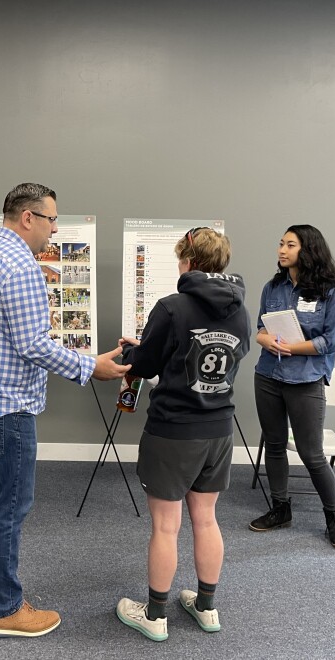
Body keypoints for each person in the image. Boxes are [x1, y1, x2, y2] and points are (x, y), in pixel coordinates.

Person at [0, 183, 130, 638]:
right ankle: (6, 609)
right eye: (51, 220)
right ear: (28, 217)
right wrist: (93, 367)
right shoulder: (20, 265)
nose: (54, 230)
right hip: (4, 408)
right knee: (7, 506)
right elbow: (32, 345)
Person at [114, 228, 250, 642]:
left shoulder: (172, 307)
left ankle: (154, 615)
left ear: (187, 261)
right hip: (218, 429)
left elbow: (149, 362)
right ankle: (206, 607)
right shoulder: (241, 310)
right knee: (206, 519)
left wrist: (133, 353)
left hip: (174, 431)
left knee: (166, 526)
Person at [248, 225, 335, 549]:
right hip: (268, 376)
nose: (281, 249)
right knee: (275, 445)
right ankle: (281, 509)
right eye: (280, 243)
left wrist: (292, 347)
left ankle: (334, 515)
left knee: (311, 453)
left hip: (305, 381)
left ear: (308, 250)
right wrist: (267, 339)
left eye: (290, 244)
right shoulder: (273, 287)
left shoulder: (333, 293)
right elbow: (260, 329)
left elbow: (332, 341)